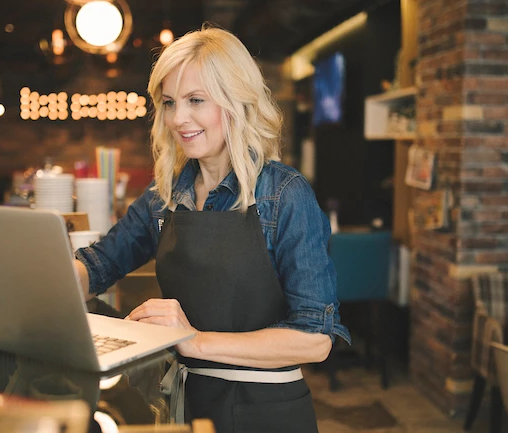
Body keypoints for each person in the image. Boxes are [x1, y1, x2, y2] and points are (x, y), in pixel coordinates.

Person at [74, 25, 350, 433]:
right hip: (184, 408)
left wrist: (193, 341)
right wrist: (41, 288)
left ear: (237, 101)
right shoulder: (164, 195)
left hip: (265, 412)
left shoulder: (284, 194)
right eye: (169, 103)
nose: (177, 118)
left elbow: (315, 339)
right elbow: (98, 265)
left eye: (196, 100)